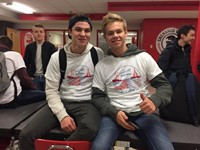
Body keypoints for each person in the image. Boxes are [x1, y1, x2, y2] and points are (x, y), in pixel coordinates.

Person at [19, 14, 104, 150]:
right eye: (78, 29)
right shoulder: (57, 57)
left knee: (90, 128)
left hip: (87, 103)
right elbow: (51, 91)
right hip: (62, 100)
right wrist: (62, 115)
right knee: (26, 135)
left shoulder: (97, 54)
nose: (83, 34)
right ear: (70, 31)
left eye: (87, 30)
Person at [91, 13, 174, 150]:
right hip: (114, 115)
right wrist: (114, 112)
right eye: (110, 33)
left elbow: (165, 86)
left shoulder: (143, 57)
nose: (115, 35)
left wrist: (154, 100)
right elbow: (97, 97)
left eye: (119, 31)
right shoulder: (102, 65)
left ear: (125, 32)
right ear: (105, 37)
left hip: (143, 114)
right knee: (98, 147)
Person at [157, 25, 200, 125]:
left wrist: (191, 77)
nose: (194, 38)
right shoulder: (169, 50)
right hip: (174, 82)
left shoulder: (187, 49)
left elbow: (188, 65)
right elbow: (161, 68)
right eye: (192, 35)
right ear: (183, 36)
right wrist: (169, 81)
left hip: (187, 79)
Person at [0, 35, 46, 108]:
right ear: (10, 46)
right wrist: (35, 88)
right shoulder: (14, 55)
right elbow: (25, 78)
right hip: (11, 99)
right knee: (47, 95)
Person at [24, 23, 57, 91]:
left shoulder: (50, 47)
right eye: (36, 32)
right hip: (34, 78)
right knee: (37, 98)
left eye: (41, 31)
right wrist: (30, 76)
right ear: (33, 33)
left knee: (48, 96)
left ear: (44, 33)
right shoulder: (29, 47)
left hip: (47, 77)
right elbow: (25, 63)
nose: (39, 33)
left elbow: (55, 63)